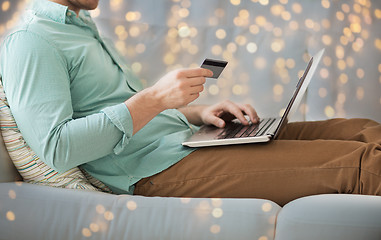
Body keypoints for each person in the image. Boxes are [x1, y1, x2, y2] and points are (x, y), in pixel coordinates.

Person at [0, 0, 380, 206]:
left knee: (360, 129)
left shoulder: (79, 26)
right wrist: (154, 97)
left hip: (184, 140)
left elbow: (121, 109)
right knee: (362, 165)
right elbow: (56, 148)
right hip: (152, 170)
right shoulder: (33, 40)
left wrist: (197, 112)